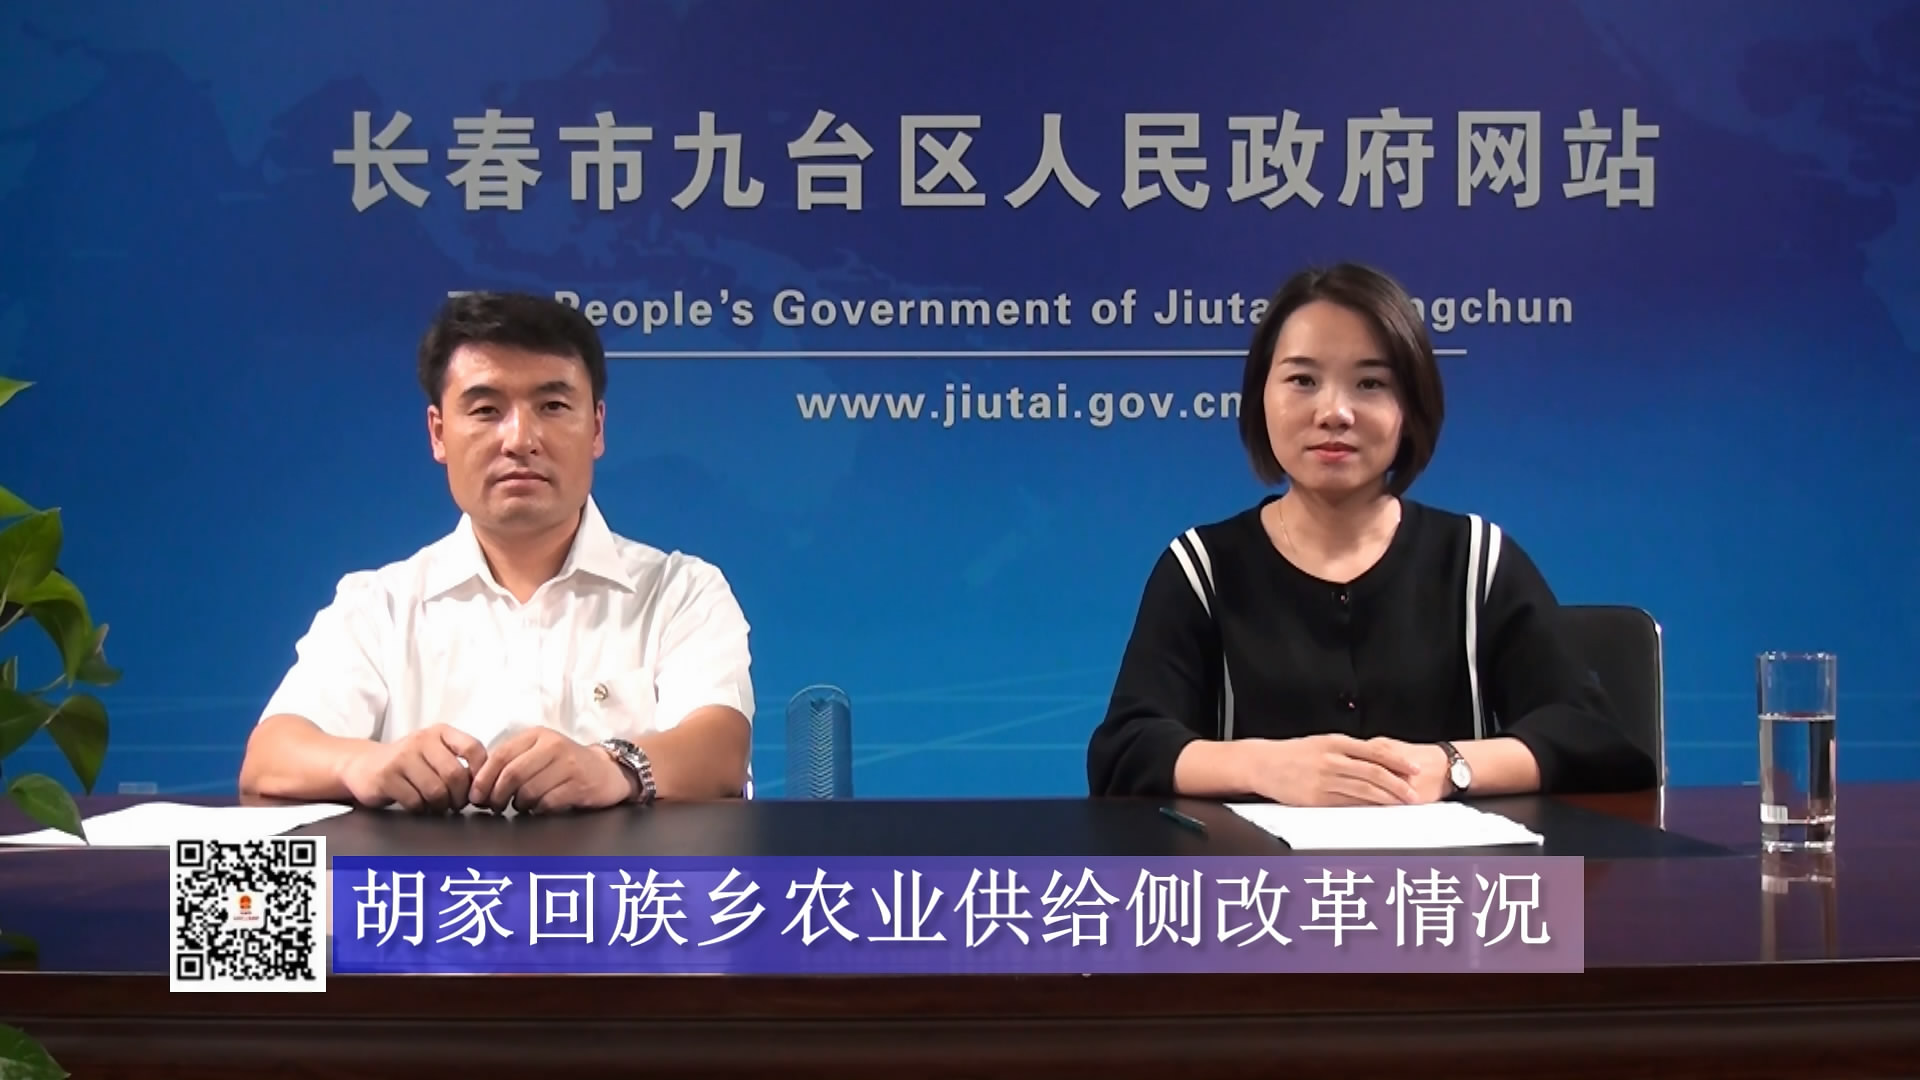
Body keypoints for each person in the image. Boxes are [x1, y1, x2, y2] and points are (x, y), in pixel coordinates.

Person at [1087, 263, 1656, 805]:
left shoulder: (1476, 562)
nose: (1334, 412)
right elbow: (1125, 751)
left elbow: (1593, 739)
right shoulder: (1202, 569)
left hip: (1450, 875)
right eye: (1303, 380)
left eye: (1369, 383)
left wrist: (1448, 766)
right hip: (1258, 875)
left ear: (1411, 407)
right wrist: (1265, 766)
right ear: (1261, 396)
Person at [239, 291, 755, 814]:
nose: (520, 440)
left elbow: (720, 751)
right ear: (439, 434)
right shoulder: (379, 605)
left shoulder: (680, 591)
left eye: (552, 407)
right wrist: (366, 763)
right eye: (486, 410)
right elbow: (272, 756)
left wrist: (612, 768)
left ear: (597, 428)